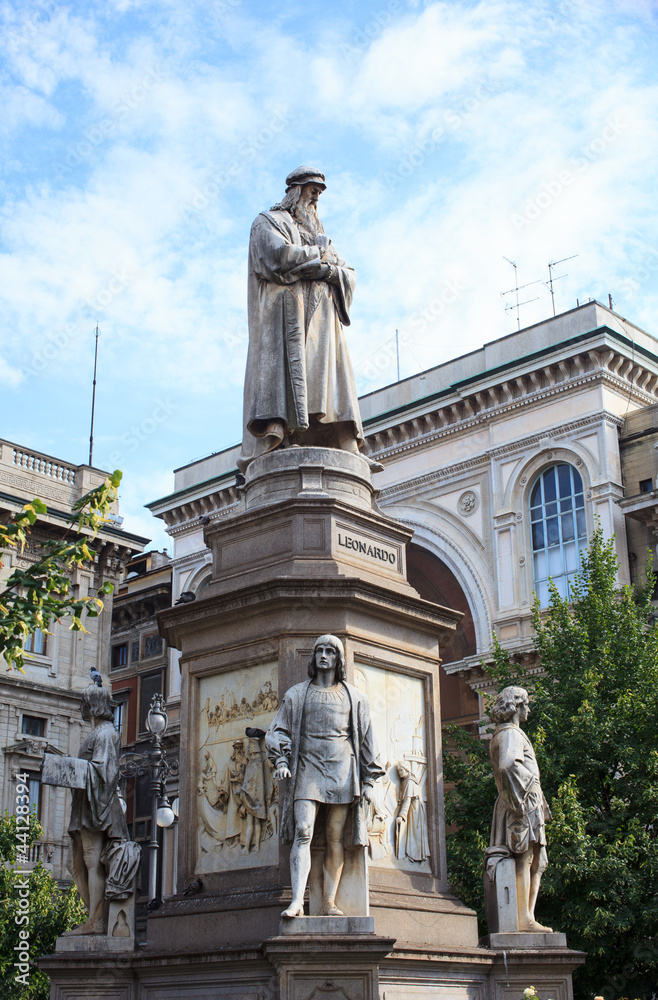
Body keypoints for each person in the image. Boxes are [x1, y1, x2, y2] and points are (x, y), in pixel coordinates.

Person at [238, 167, 364, 473]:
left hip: (323, 321)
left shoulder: (321, 234)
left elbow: (347, 272)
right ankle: (284, 436)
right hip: (286, 319)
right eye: (312, 191)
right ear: (295, 190)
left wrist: (326, 270)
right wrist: (318, 255)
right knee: (288, 376)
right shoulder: (268, 222)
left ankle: (343, 439)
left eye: (319, 194)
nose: (316, 199)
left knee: (331, 380)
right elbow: (276, 258)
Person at [265, 634, 384, 917]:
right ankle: (297, 900)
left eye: (330, 651)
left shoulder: (355, 698)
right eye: (319, 650)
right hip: (307, 767)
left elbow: (367, 739)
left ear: (339, 659)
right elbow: (277, 730)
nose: (324, 656)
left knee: (335, 837)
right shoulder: (296, 694)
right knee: (303, 830)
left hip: (343, 770)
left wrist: (369, 779)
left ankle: (329, 902)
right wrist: (281, 758)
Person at [67, 682, 138, 935]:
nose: (82, 707)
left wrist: (72, 768)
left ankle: (95, 921)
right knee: (74, 865)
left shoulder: (106, 734)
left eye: (85, 703)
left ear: (93, 705)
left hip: (97, 809)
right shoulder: (96, 734)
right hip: (86, 806)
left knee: (90, 861)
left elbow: (104, 771)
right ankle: (94, 917)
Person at [488, 685, 552, 933]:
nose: (529, 708)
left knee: (537, 861)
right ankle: (523, 919)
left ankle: (527, 915)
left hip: (520, 800)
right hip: (521, 801)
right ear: (516, 705)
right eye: (526, 703)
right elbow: (506, 766)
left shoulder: (504, 733)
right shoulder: (511, 734)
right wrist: (525, 794)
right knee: (524, 858)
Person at [394, 762, 430, 863]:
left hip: (415, 810)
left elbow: (407, 801)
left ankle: (416, 856)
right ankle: (413, 855)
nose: (400, 773)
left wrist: (401, 815)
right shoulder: (406, 781)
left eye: (401, 770)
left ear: (407, 769)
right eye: (398, 771)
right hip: (413, 809)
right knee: (413, 832)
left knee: (415, 832)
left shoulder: (409, 782)